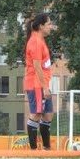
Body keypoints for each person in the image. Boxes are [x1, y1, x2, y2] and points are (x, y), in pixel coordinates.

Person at [24, 13, 54, 150]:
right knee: (36, 114)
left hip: (42, 84)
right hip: (36, 84)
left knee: (47, 115)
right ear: (41, 26)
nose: (51, 27)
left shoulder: (40, 40)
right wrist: (44, 87)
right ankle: (33, 150)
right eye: (49, 24)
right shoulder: (35, 41)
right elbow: (37, 67)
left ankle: (47, 148)